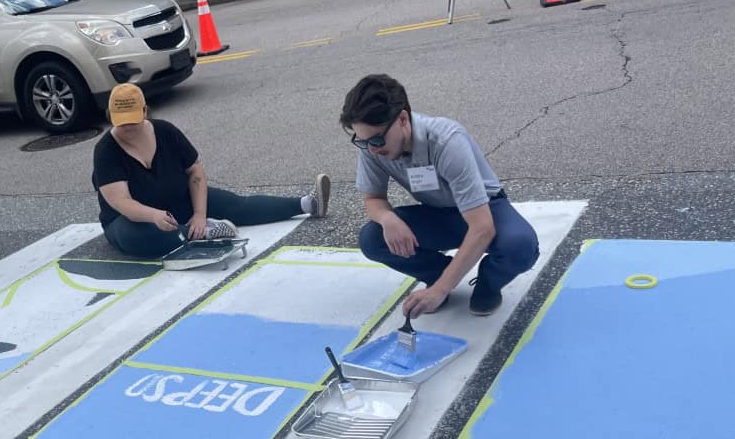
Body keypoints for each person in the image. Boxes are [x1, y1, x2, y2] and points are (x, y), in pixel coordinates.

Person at [342, 74, 538, 317]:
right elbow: (373, 199)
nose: (372, 149)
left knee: (520, 246)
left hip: (484, 208)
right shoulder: (372, 148)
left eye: (377, 139)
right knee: (372, 238)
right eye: (362, 141)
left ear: (403, 119)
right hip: (440, 214)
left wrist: (441, 291)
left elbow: (482, 228)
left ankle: (488, 283)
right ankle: (437, 273)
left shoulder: (446, 141)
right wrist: (387, 218)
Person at [92, 83, 330, 259]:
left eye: (132, 121)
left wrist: (199, 213)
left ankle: (307, 204)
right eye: (120, 122)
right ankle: (204, 233)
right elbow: (122, 203)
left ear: (144, 111)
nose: (127, 128)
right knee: (141, 238)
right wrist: (154, 216)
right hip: (133, 219)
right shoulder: (106, 150)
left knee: (238, 205)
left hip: (178, 200)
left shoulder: (164, 131)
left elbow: (195, 172)